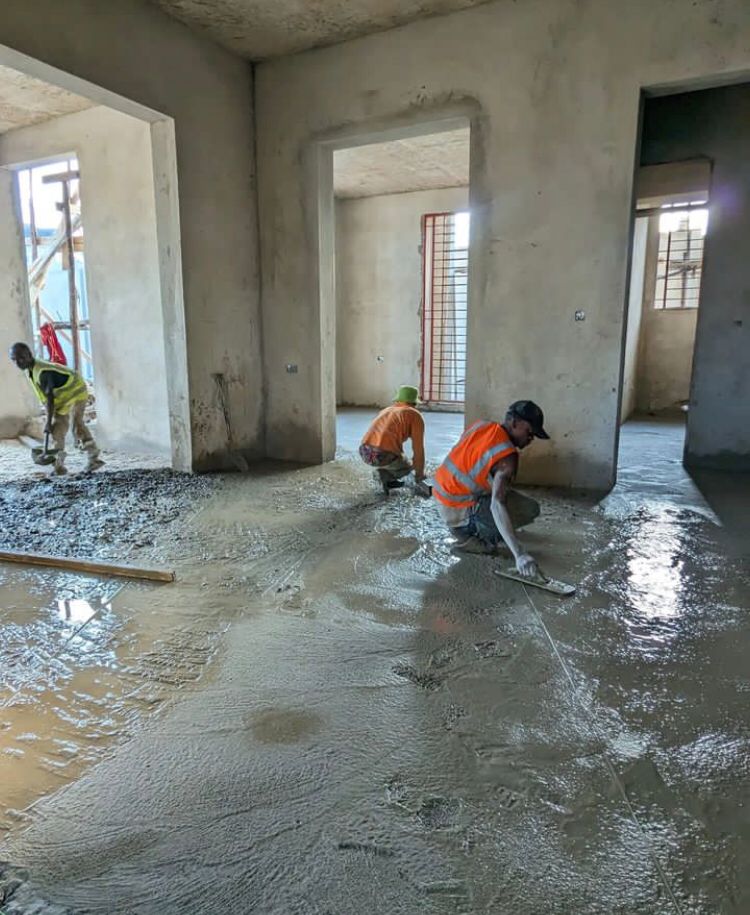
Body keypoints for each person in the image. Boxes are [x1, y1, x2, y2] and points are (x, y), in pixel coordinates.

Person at [432, 400, 549, 578]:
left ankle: (465, 527)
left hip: (441, 496)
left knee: (507, 500)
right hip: (459, 511)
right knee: (528, 510)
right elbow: (497, 504)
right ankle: (472, 539)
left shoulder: (482, 425)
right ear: (514, 423)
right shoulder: (508, 457)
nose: (530, 439)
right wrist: (519, 554)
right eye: (529, 432)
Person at [9, 342, 104, 476]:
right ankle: (59, 467)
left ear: (29, 355)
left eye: (21, 358)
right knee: (56, 431)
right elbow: (47, 398)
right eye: (14, 359)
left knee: (77, 426)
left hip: (75, 391)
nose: (18, 362)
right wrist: (50, 424)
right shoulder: (30, 370)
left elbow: (49, 399)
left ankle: (94, 458)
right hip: (62, 399)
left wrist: (47, 422)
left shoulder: (43, 372)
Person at [359, 385, 428, 495]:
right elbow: (418, 450)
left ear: (398, 400)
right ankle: (385, 475)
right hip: (383, 454)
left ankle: (386, 476)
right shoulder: (415, 415)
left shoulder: (387, 410)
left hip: (365, 452)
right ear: (414, 403)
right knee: (408, 469)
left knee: (397, 459)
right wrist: (420, 475)